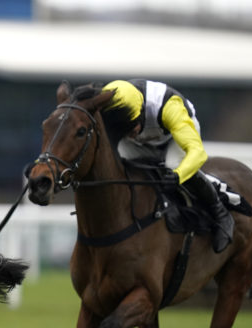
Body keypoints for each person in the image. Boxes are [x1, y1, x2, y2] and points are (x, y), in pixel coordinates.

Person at [100, 79, 234, 253]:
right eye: (124, 128)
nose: (130, 133)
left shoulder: (170, 107)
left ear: (141, 110)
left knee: (173, 165)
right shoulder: (107, 107)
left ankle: (220, 212)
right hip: (147, 140)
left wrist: (178, 175)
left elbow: (197, 152)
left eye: (132, 125)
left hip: (174, 137)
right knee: (122, 166)